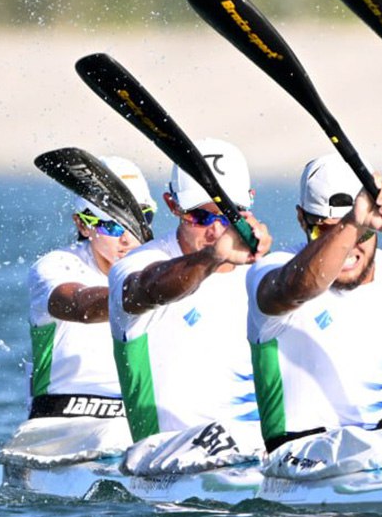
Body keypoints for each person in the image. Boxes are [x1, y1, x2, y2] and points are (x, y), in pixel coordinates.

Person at [245, 154, 382, 478]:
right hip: (298, 456)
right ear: (301, 220)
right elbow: (298, 288)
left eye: (362, 233)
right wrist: (353, 223)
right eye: (326, 232)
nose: (347, 248)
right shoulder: (271, 272)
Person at [108, 138, 272, 474]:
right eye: (200, 216)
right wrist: (213, 257)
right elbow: (146, 289)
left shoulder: (269, 276)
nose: (216, 230)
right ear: (172, 205)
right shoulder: (137, 265)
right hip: (164, 461)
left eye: (229, 214)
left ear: (250, 202)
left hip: (256, 457)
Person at [0, 155, 155, 466]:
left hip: (135, 424)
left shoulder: (164, 269)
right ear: (83, 225)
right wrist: (150, 294)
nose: (128, 237)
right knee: (118, 434)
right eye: (112, 225)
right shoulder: (56, 266)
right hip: (55, 430)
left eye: (141, 219)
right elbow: (82, 306)